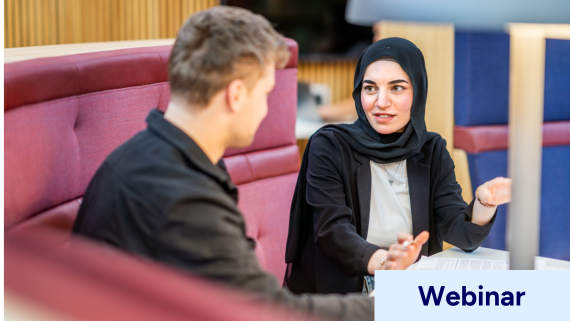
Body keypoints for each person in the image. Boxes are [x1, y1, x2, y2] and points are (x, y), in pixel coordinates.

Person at [72, 7, 429, 321]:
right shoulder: (179, 196)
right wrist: (395, 304)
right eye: (265, 94)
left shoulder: (153, 157)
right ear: (237, 95)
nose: (265, 109)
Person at [284, 37, 512, 295]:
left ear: (418, 92)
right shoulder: (330, 145)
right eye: (370, 88)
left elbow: (461, 235)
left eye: (397, 88)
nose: (381, 102)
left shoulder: (431, 150)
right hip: (349, 289)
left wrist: (484, 202)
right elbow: (332, 232)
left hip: (412, 286)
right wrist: (387, 264)